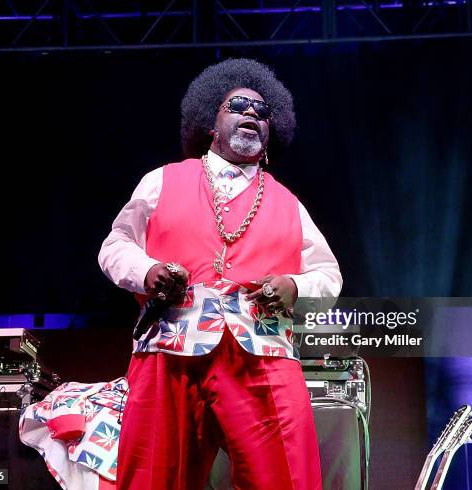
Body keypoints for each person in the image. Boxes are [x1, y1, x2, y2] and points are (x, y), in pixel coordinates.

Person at [98, 58, 342, 490]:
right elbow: (116, 245)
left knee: (286, 476)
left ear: (270, 132)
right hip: (170, 348)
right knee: (154, 475)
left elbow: (327, 273)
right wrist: (147, 271)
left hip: (260, 351)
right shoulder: (161, 181)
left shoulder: (289, 204)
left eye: (262, 111)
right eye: (238, 106)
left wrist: (295, 287)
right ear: (212, 122)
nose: (251, 113)